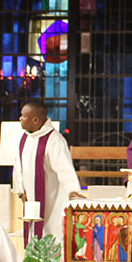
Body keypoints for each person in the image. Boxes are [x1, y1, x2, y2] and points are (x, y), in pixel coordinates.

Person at [12, 99, 82, 250]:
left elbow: (65, 169)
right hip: (31, 201)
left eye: (23, 116)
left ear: (35, 120)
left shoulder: (54, 140)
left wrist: (73, 191)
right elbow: (18, 166)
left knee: (50, 236)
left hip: (52, 200)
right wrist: (20, 190)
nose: (20, 118)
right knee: (33, 237)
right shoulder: (24, 138)